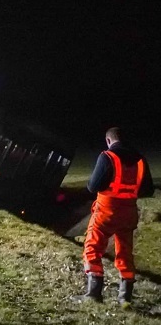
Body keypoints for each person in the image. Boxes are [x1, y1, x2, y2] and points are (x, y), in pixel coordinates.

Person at [74, 127, 153, 307]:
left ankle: (93, 293)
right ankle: (125, 297)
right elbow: (147, 189)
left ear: (109, 141)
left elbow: (93, 187)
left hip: (106, 212)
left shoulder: (107, 156)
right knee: (125, 252)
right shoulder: (141, 160)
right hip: (129, 213)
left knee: (92, 247)